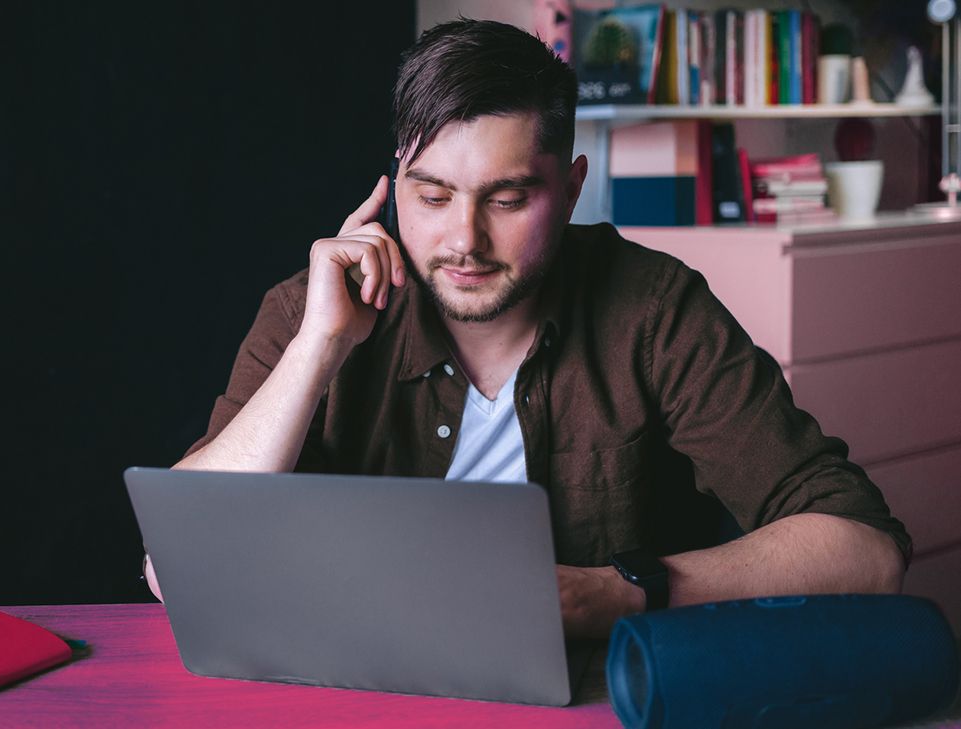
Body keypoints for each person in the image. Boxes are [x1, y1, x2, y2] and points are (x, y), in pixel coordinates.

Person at [147, 19, 910, 638]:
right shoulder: (310, 309)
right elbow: (173, 567)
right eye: (432, 196)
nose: (463, 241)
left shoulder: (653, 308)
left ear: (571, 188)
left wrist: (616, 594)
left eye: (506, 199)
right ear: (393, 181)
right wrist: (317, 348)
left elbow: (864, 548)